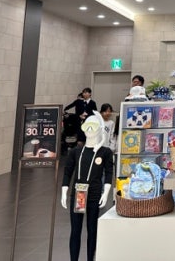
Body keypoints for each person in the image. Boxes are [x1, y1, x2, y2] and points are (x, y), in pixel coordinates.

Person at [61, 112, 113, 261]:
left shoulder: (105, 152)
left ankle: (90, 258)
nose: (89, 129)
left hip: (95, 193)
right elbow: (68, 172)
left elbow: (109, 173)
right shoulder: (76, 152)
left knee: (92, 229)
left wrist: (106, 192)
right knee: (75, 230)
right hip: (79, 193)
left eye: (93, 126)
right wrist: (64, 191)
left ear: (100, 128)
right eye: (87, 126)